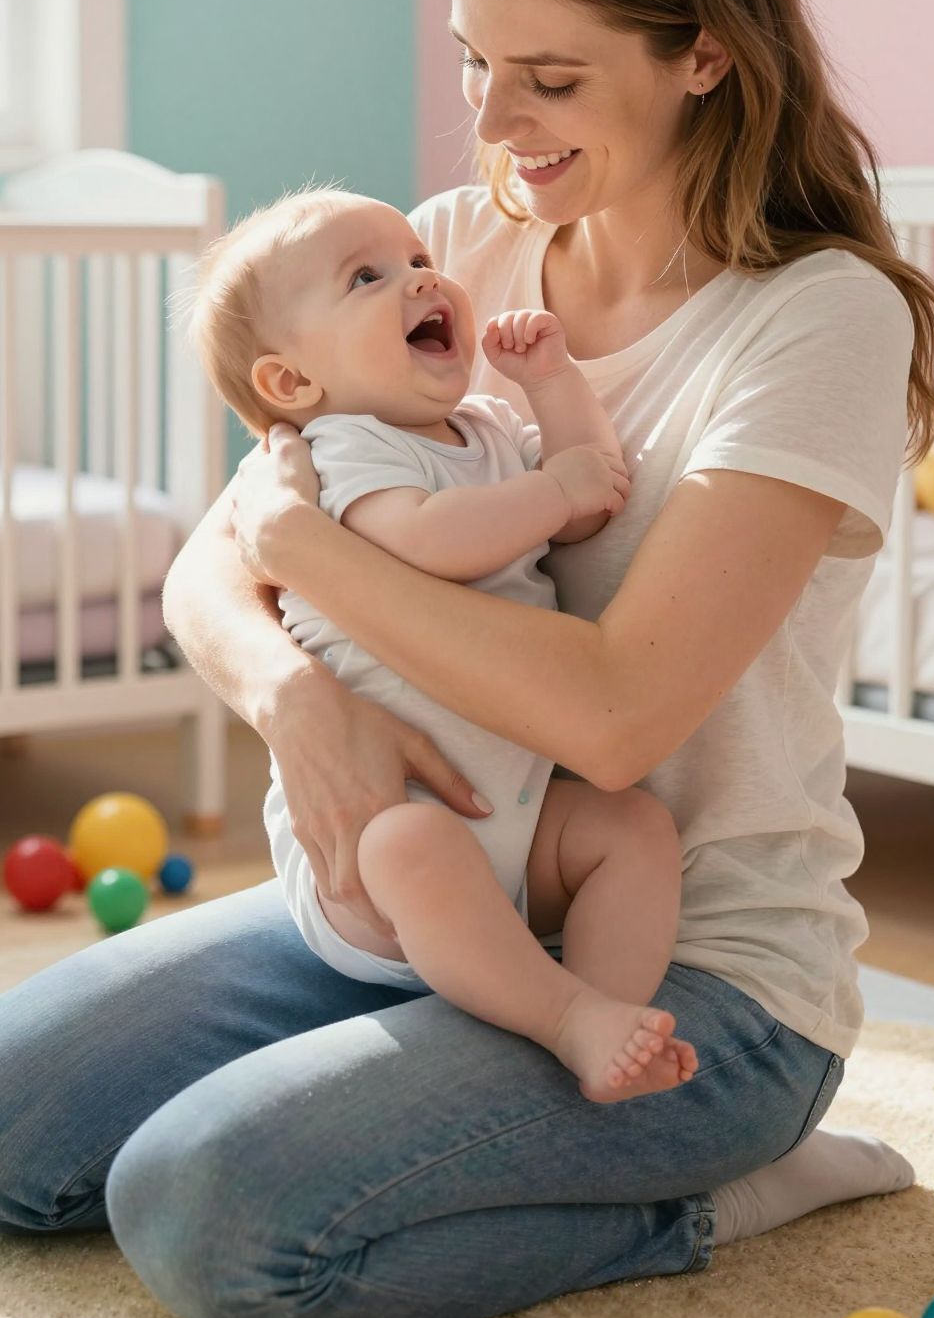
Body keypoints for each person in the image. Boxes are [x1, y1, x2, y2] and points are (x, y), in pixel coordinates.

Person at [0, 0, 934, 1318]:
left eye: (551, 78)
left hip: (688, 972)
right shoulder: (454, 246)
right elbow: (211, 573)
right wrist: (295, 704)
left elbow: (611, 720)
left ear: (704, 55)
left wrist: (300, 545)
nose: (496, 119)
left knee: (210, 1215)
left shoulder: (818, 321)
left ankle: (725, 1189)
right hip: (418, 903)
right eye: (474, 60)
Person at [185, 182, 701, 1103]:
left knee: (632, 830)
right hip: (382, 853)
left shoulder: (490, 429)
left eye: (420, 261)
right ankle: (561, 1016)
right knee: (414, 846)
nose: (422, 282)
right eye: (368, 277)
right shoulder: (336, 453)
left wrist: (552, 386)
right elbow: (432, 539)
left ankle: (606, 1019)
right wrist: (556, 491)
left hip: (518, 815)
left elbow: (594, 498)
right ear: (292, 383)